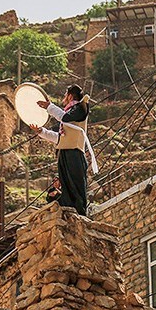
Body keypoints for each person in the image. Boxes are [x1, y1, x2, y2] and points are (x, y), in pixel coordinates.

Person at [30, 85, 98, 216]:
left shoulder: (80, 108)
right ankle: (69, 210)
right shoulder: (69, 115)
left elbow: (65, 118)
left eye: (65, 95)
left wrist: (50, 107)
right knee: (67, 185)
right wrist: (41, 131)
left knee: (76, 185)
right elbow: (60, 138)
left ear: (70, 96)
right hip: (65, 154)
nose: (64, 98)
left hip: (74, 154)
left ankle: (80, 211)